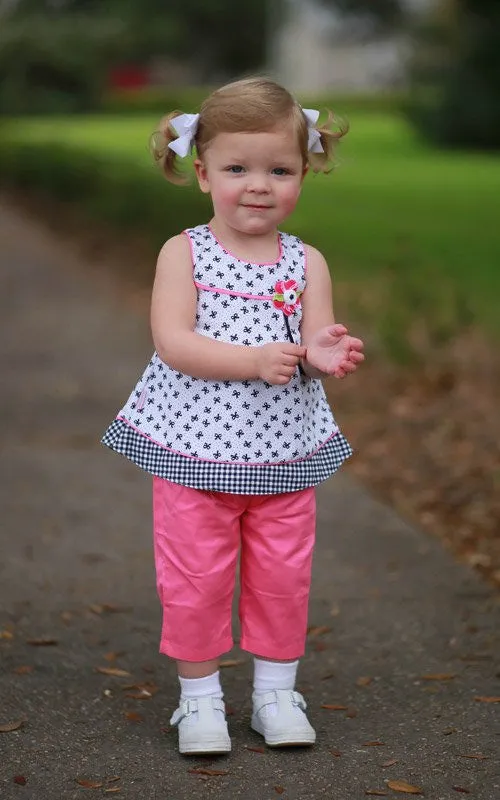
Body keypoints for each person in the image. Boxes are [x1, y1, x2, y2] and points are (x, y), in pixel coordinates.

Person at [102, 76, 364, 756]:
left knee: (283, 573)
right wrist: (252, 361)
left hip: (284, 450)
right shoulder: (183, 253)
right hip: (194, 449)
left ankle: (276, 693)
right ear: (202, 174)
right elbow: (175, 342)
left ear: (303, 173)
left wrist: (323, 353)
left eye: (279, 170)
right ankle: (200, 702)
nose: (258, 185)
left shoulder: (307, 262)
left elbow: (310, 342)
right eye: (237, 169)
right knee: (195, 576)